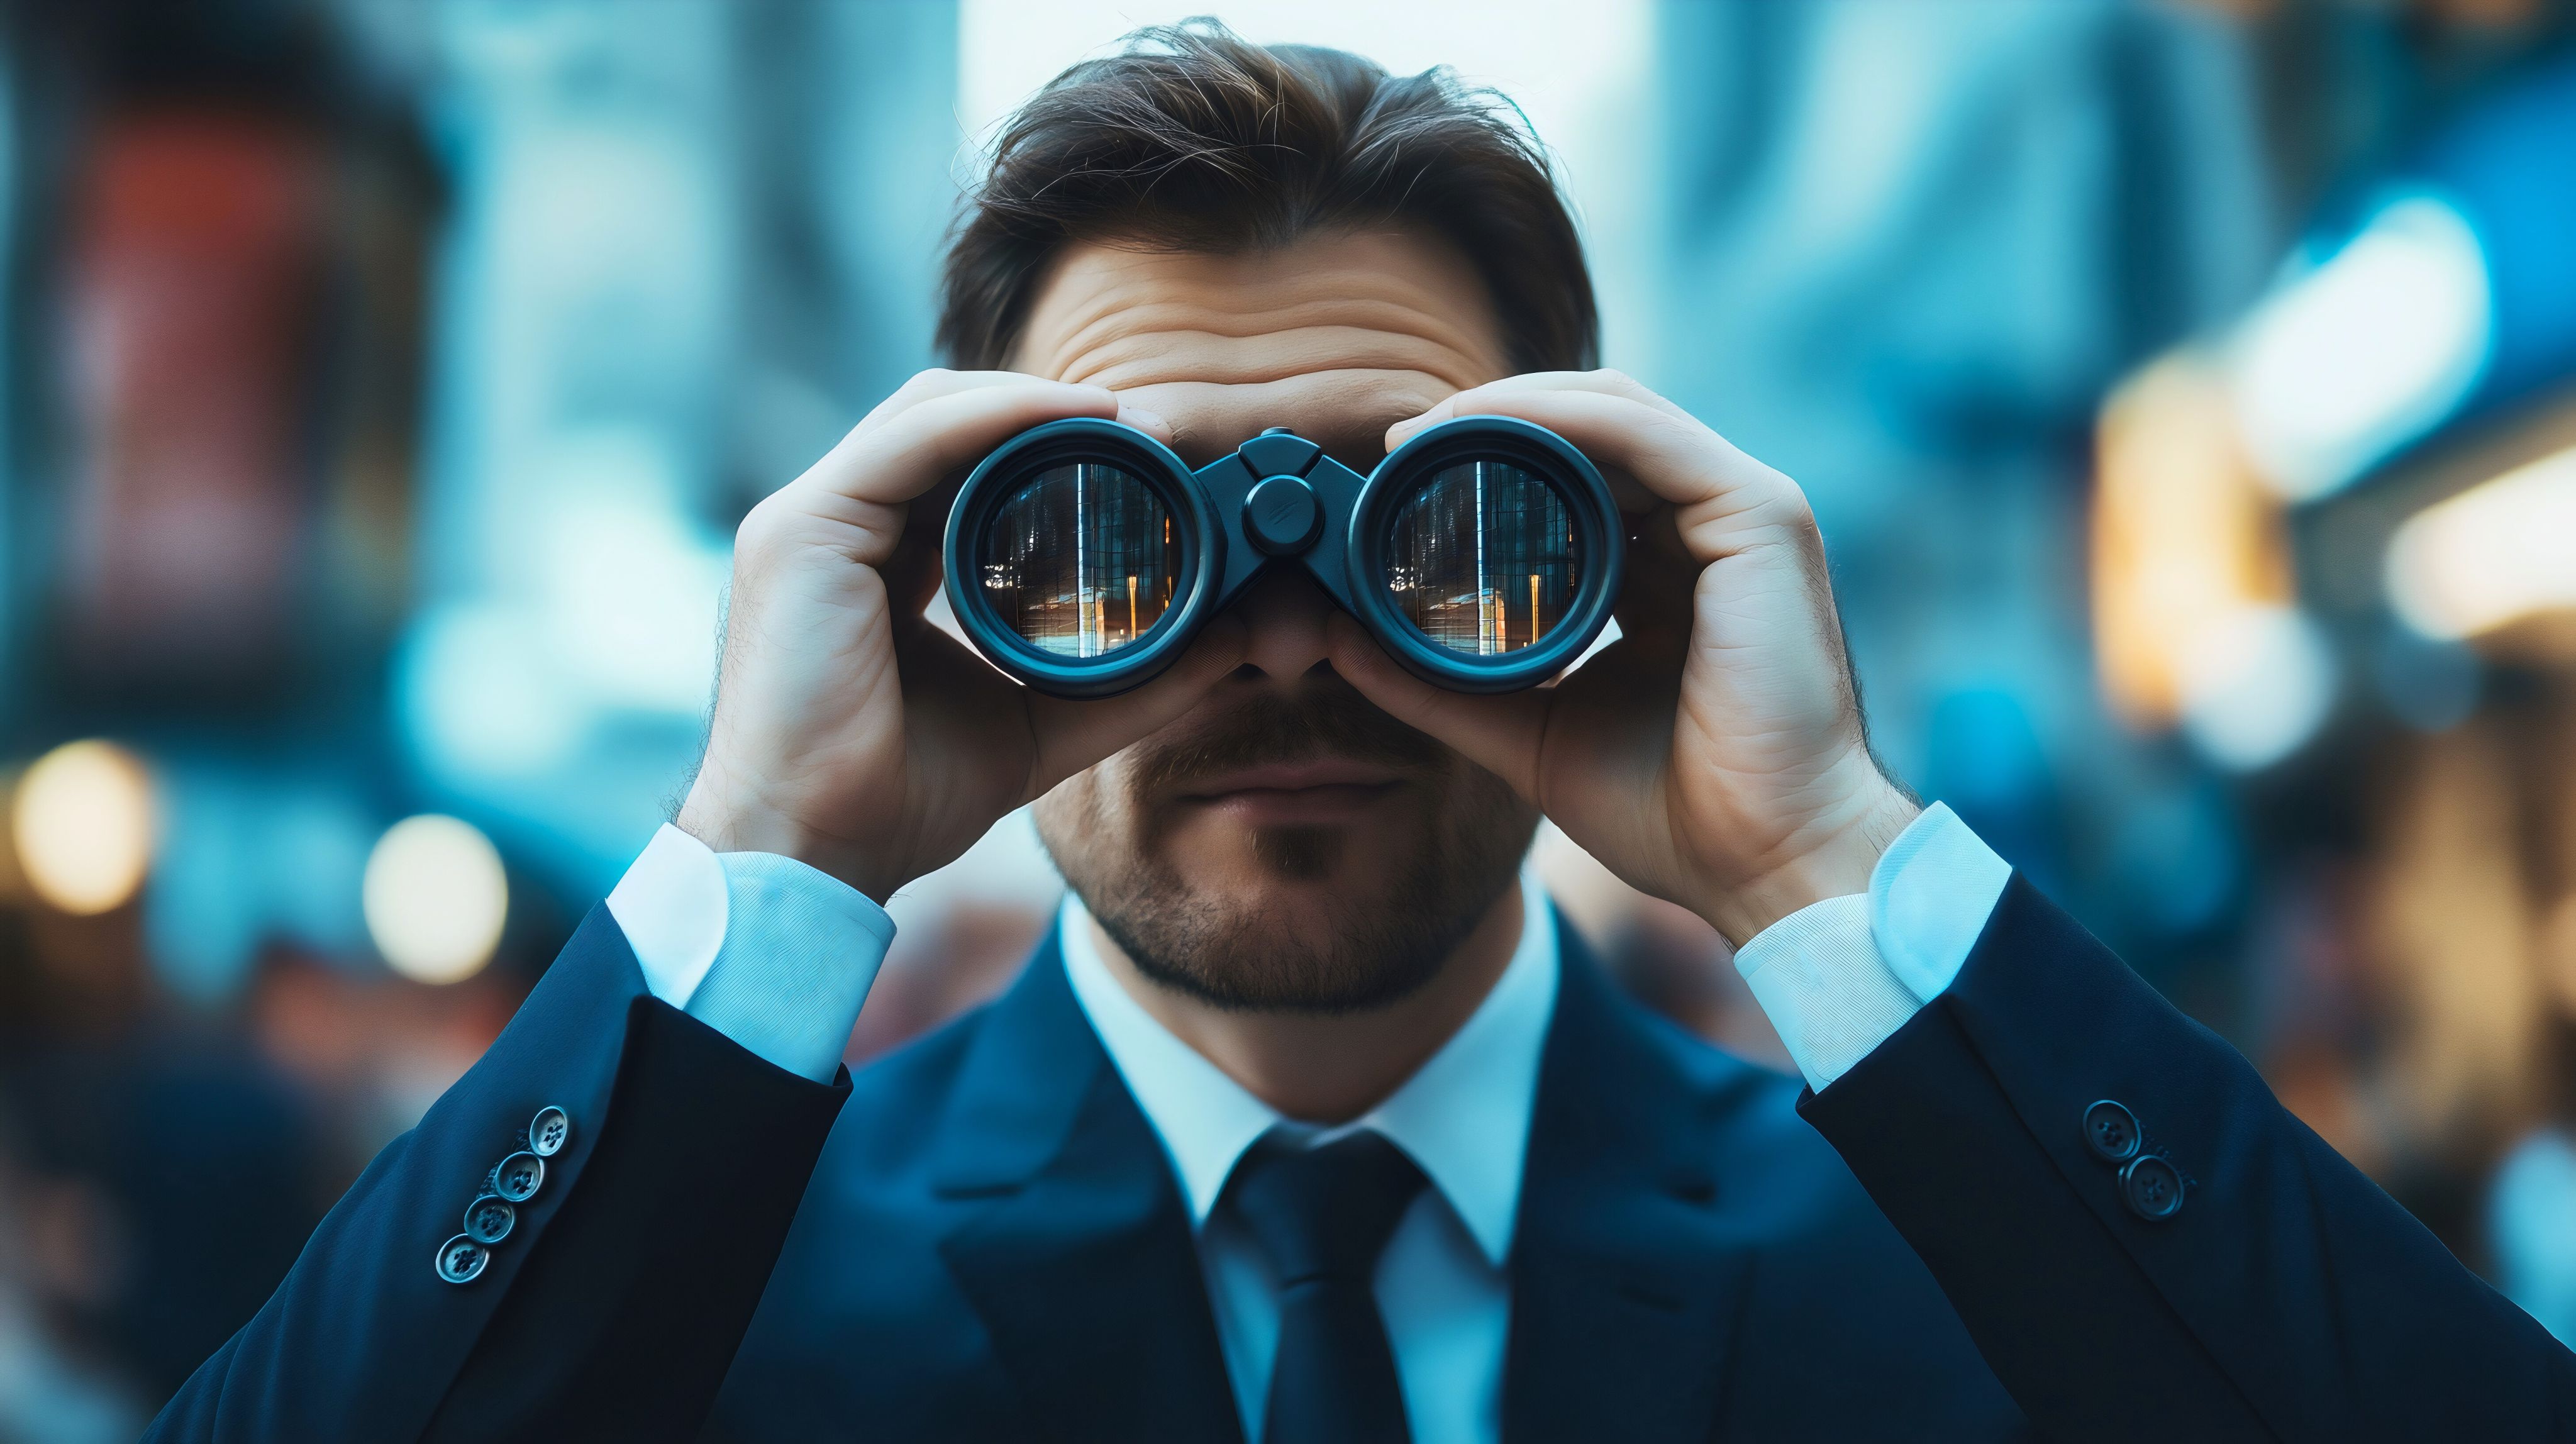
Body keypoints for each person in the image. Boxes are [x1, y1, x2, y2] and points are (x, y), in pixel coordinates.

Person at [148, 24, 2573, 1444]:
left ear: (1614, 541)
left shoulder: (1961, 1238)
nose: (1287, 649)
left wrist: (1827, 860)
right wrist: (761, 851)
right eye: (1118, 540)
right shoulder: (698, 1271)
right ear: (947, 571)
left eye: (1448, 536)